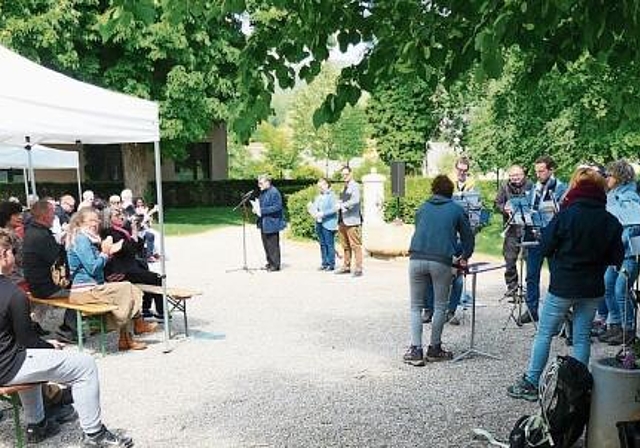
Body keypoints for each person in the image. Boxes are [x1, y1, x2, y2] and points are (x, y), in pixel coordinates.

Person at [0, 228, 134, 446]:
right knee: (84, 365)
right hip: (7, 367)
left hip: (7, 361)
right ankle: (94, 434)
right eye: (12, 251)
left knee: (34, 359)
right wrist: (49, 346)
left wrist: (41, 345)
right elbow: (26, 343)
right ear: (4, 254)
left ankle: (38, 425)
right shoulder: (14, 295)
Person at [507, 167, 623, 401]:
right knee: (580, 337)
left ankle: (531, 381)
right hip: (592, 288)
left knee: (545, 334)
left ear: (576, 188)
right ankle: (577, 387)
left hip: (563, 285)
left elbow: (545, 247)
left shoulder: (566, 215)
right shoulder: (610, 220)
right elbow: (616, 258)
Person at [403, 175, 474, 366]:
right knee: (441, 306)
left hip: (416, 258)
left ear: (433, 190)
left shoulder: (422, 208)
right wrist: (465, 256)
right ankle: (434, 348)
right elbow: (468, 237)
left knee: (416, 306)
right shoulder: (456, 209)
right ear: (450, 192)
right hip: (441, 261)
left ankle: (415, 350)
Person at [66, 207, 154, 351]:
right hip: (84, 292)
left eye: (97, 220)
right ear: (81, 222)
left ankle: (128, 336)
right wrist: (105, 253)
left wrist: (108, 252)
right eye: (91, 220)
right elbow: (93, 268)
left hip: (91, 289)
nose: (95, 223)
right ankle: (132, 331)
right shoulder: (82, 239)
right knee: (126, 289)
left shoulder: (87, 238)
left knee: (127, 290)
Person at [22, 200, 78, 342]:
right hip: (47, 287)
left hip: (37, 284)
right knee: (80, 293)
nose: (55, 216)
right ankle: (69, 330)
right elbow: (58, 260)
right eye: (52, 213)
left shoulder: (32, 231)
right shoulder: (41, 236)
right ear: (44, 216)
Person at [597, 160, 640, 346]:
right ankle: (614, 324)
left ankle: (627, 330)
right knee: (607, 285)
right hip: (615, 253)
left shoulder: (629, 196)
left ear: (620, 178)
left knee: (621, 289)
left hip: (629, 253)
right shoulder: (613, 195)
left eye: (611, 175)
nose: (607, 178)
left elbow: (633, 225)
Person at [522, 156, 567, 323]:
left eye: (541, 171)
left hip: (553, 236)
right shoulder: (534, 188)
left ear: (551, 170)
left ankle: (556, 313)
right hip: (534, 234)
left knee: (556, 274)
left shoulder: (561, 188)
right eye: (536, 171)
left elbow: (563, 212)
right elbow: (528, 207)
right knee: (531, 274)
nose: (538, 174)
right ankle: (531, 310)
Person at [101, 207, 164, 321]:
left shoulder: (123, 230)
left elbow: (138, 248)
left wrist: (134, 230)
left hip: (129, 267)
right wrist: (133, 234)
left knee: (150, 276)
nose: (121, 217)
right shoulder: (109, 233)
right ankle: (160, 312)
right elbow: (128, 249)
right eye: (116, 215)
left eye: (121, 214)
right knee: (156, 278)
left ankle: (146, 309)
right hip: (119, 271)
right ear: (109, 219)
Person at [495, 165, 533, 296]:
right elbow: (497, 203)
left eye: (517, 175)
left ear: (523, 175)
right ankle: (512, 287)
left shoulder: (530, 185)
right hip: (511, 227)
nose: (515, 178)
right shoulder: (504, 186)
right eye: (512, 176)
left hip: (528, 228)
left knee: (530, 260)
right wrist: (504, 208)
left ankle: (531, 288)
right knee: (509, 259)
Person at [252, 174, 286, 272]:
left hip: (272, 222)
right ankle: (270, 262)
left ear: (267, 182)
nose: (259, 185)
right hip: (264, 222)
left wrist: (262, 210)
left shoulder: (274, 192)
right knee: (266, 244)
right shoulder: (264, 192)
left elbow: (277, 207)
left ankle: (275, 265)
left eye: (261, 183)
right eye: (258, 183)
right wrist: (256, 209)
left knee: (272, 245)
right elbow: (261, 205)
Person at [335, 166, 363, 277]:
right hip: (342, 219)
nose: (344, 176)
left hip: (352, 220)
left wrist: (342, 205)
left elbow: (355, 200)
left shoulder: (355, 186)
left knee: (355, 245)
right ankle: (346, 266)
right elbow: (342, 200)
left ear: (351, 173)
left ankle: (358, 268)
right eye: (343, 175)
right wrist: (338, 203)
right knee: (345, 245)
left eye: (346, 174)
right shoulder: (344, 187)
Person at [310, 177, 338, 271]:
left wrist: (323, 213)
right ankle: (324, 263)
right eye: (319, 186)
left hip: (328, 223)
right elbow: (315, 207)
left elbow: (334, 209)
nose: (320, 188)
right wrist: (312, 210)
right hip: (319, 223)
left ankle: (331, 264)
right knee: (322, 244)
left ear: (327, 185)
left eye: (321, 185)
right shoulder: (318, 196)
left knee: (329, 244)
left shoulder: (332, 195)